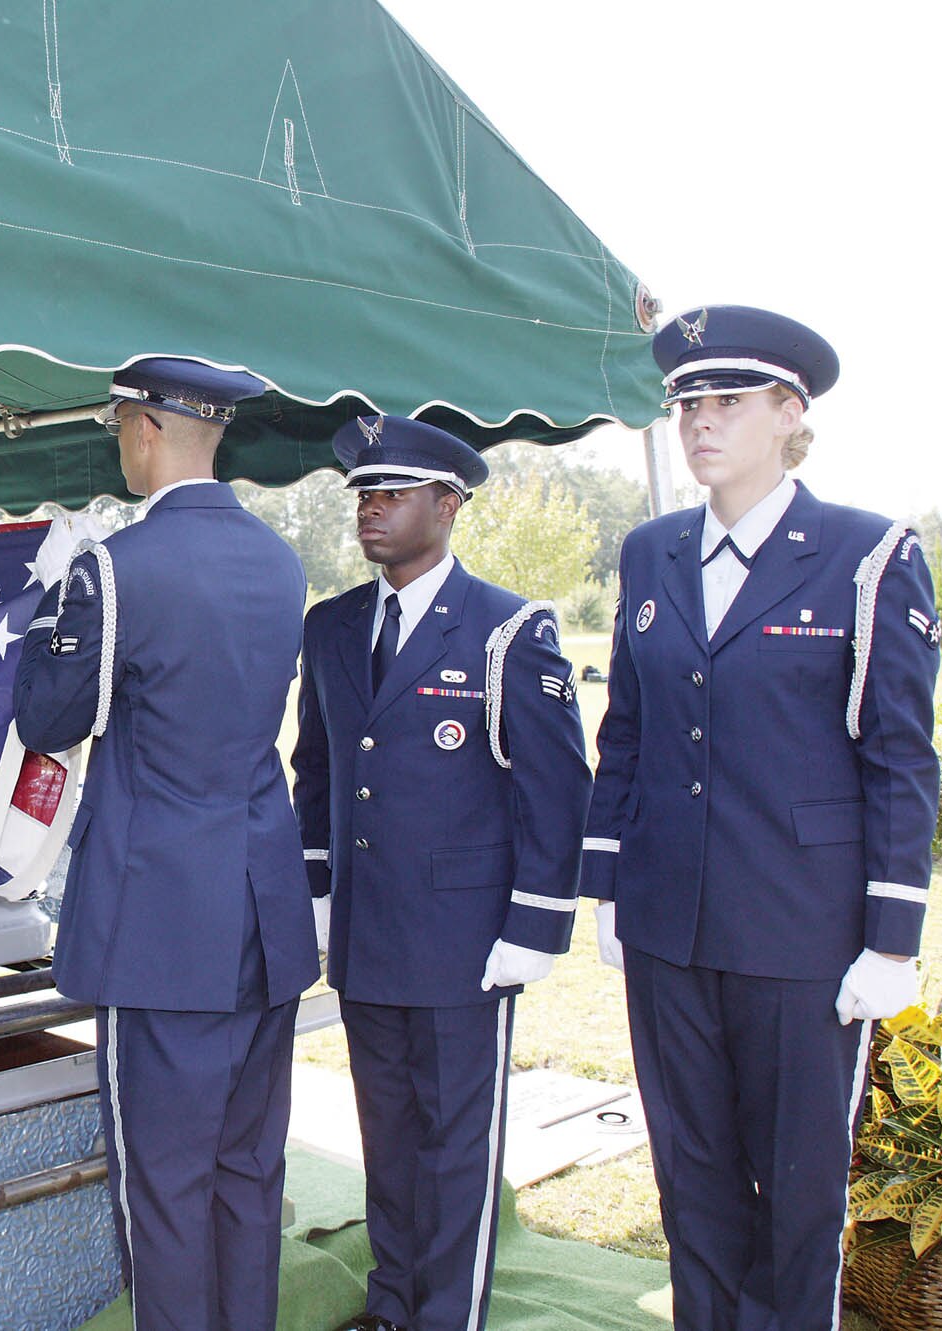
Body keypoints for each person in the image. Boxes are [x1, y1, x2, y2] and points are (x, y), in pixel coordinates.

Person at [582, 306, 939, 1330]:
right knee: (690, 1180)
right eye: (686, 401)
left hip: (800, 932)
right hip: (667, 927)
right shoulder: (649, 552)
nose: (697, 419)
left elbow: (896, 755)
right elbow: (630, 730)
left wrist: (891, 939)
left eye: (726, 399)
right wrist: (607, 882)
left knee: (792, 1194)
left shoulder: (863, 554)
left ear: (789, 413)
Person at [13, 358, 316, 1331]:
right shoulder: (278, 559)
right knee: (245, 1170)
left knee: (164, 1190)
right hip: (259, 911)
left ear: (144, 428)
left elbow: (44, 715)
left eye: (118, 428)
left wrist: (56, 596)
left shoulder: (114, 566)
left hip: (162, 924)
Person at [291, 417, 592, 1331]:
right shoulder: (335, 626)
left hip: (469, 941)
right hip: (370, 931)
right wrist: (316, 893)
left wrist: (536, 927)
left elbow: (556, 788)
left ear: (448, 504)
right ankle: (392, 1305)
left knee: (457, 1142)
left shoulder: (508, 630)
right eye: (363, 493)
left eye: (393, 492)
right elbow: (319, 768)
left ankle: (446, 1315)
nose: (370, 507)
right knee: (387, 1135)